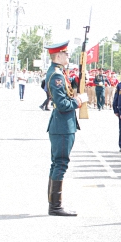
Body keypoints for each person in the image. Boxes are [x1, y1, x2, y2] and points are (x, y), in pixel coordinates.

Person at [45, 41, 87, 216]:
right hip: (62, 125)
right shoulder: (57, 75)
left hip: (62, 124)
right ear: (58, 55)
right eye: (66, 54)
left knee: (57, 163)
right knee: (61, 163)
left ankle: (53, 204)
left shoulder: (59, 73)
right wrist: (78, 101)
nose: (68, 56)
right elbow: (62, 104)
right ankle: (55, 206)